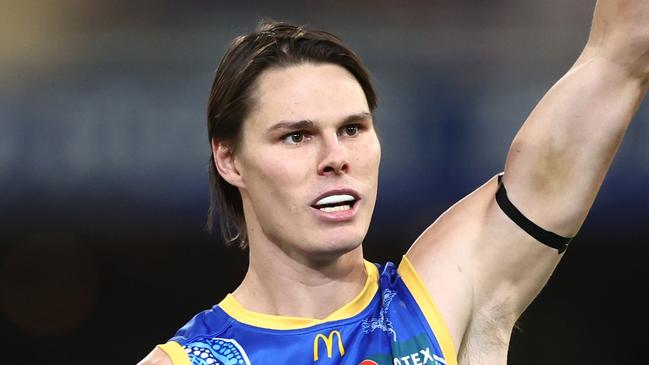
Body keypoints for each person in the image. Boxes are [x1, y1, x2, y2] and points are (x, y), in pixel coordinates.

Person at [139, 1, 649, 364]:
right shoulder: (193, 359)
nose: (335, 157)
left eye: (353, 129)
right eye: (296, 137)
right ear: (229, 160)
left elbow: (622, 53)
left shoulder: (451, 293)